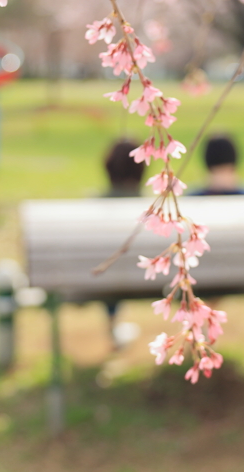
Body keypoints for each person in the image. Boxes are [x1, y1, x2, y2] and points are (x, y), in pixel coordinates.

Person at [101, 139, 145, 349]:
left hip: (102, 279)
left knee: (109, 268)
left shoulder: (91, 205)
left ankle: (112, 326)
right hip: (152, 279)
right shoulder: (154, 209)